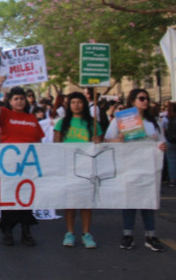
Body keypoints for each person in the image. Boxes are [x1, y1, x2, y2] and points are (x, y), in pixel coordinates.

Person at [104, 88, 167, 252]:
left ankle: (150, 235)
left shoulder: (153, 122)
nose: (145, 101)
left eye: (146, 98)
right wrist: (117, 140)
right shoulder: (121, 120)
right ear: (132, 101)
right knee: (129, 201)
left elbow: (162, 142)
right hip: (129, 166)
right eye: (141, 98)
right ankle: (128, 234)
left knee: (148, 201)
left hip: (148, 167)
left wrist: (161, 146)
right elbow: (107, 140)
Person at [0, 86, 44, 246]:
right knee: (9, 199)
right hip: (9, 165)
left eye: (22, 98)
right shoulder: (5, 114)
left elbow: (39, 141)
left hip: (28, 166)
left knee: (26, 200)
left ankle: (26, 231)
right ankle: (7, 232)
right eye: (15, 99)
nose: (19, 101)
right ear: (10, 101)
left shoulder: (32, 118)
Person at [53, 92, 102, 249]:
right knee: (71, 202)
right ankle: (70, 232)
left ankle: (86, 234)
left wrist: (97, 140)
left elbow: (101, 142)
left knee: (86, 202)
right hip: (69, 167)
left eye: (79, 102)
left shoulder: (92, 123)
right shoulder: (62, 123)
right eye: (73, 102)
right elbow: (56, 144)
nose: (76, 105)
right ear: (69, 105)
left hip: (87, 167)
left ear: (84, 104)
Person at [162, 102, 176, 186]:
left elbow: (163, 131)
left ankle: (173, 180)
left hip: (169, 140)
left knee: (171, 160)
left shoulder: (165, 119)